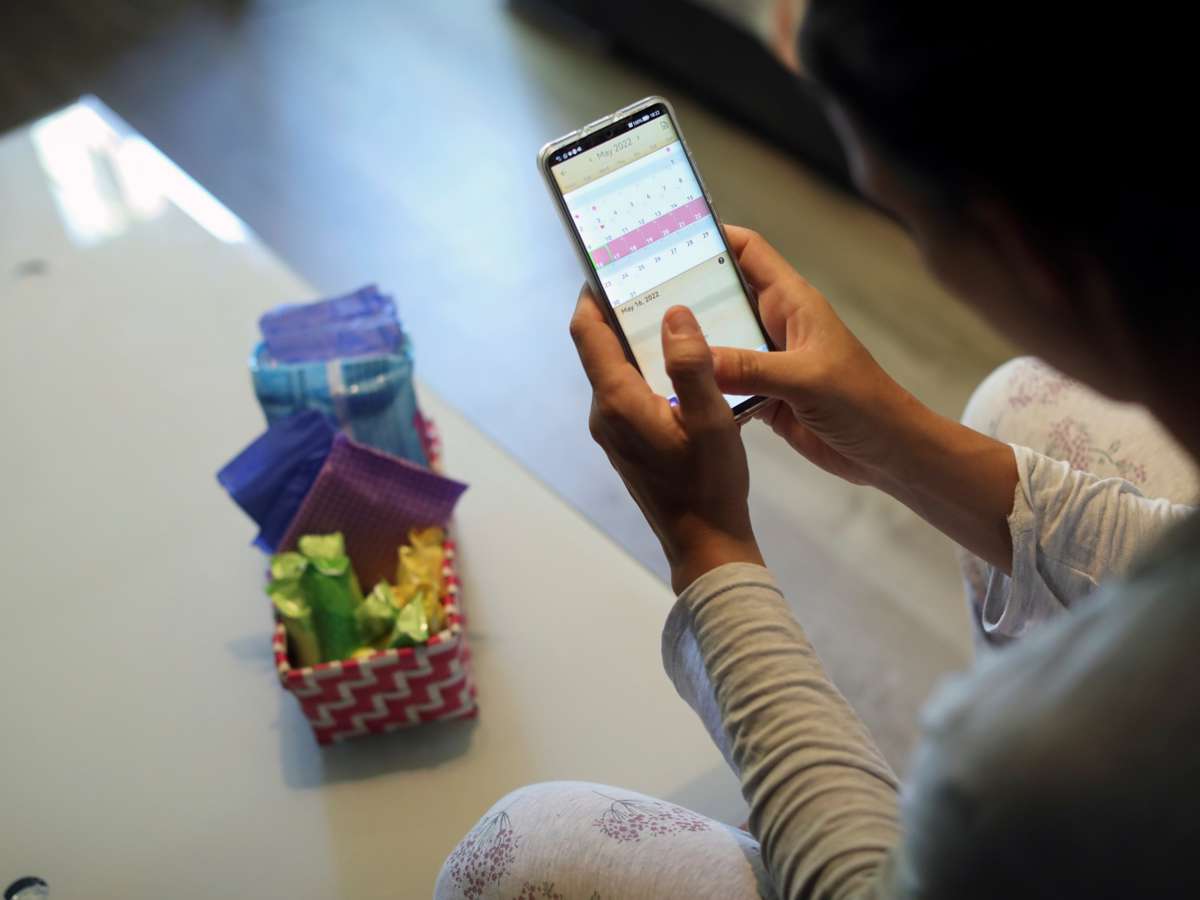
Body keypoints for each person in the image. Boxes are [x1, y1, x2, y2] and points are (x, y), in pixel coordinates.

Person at [436, 3, 1199, 898]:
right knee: (1020, 405)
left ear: (1021, 250)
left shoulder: (1035, 781)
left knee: (520, 856)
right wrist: (895, 433)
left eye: (906, 218)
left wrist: (708, 547)